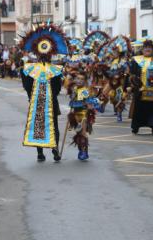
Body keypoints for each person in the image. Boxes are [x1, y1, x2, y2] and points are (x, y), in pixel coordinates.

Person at [20, 23, 66, 163]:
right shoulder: (55, 69)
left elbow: (26, 85)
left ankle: (41, 153)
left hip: (38, 101)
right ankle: (54, 150)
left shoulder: (29, 68)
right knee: (53, 125)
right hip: (50, 100)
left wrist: (32, 97)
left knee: (39, 125)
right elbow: (57, 88)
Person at [129, 38, 153, 135]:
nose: (147, 49)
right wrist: (132, 83)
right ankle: (135, 128)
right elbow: (132, 74)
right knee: (139, 110)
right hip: (141, 91)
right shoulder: (137, 60)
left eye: (149, 47)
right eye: (145, 47)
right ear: (142, 49)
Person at [67, 71, 98, 160]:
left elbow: (90, 101)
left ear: (84, 81)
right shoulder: (74, 88)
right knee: (78, 132)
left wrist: (89, 104)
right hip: (75, 113)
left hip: (83, 113)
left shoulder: (85, 90)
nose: (79, 80)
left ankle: (84, 151)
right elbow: (72, 100)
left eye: (82, 79)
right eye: (78, 78)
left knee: (83, 132)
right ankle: (81, 150)